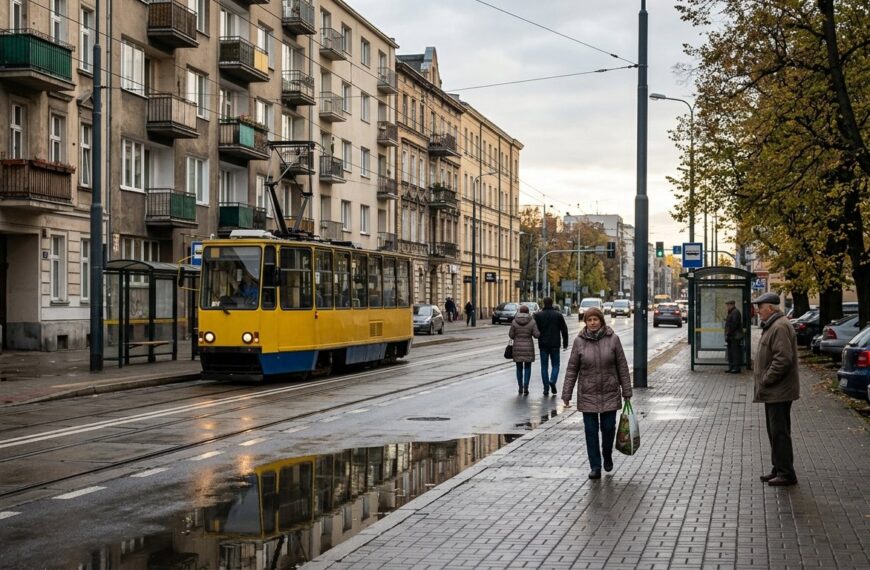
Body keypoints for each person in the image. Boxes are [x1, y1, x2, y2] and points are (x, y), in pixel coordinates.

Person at [562, 307, 632, 480]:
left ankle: (606, 454)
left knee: (608, 428)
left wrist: (627, 391)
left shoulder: (613, 339)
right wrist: (566, 393)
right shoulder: (579, 341)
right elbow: (572, 369)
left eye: (595, 319)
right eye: (589, 320)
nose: (592, 323)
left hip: (609, 392)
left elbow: (622, 366)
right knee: (590, 431)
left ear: (601, 320)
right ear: (585, 322)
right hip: (588, 394)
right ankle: (595, 466)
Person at [752, 292, 799, 487]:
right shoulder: (774, 325)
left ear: (770, 308)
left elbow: (782, 359)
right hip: (774, 390)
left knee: (779, 432)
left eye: (760, 307)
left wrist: (766, 379)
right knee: (775, 431)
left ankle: (786, 473)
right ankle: (778, 468)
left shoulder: (779, 326)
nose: (758, 311)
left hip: (778, 390)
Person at [534, 296, 569, 396]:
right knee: (556, 365)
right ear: (552, 303)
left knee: (544, 367)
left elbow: (535, 329)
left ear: (543, 303)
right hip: (555, 343)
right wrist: (565, 343)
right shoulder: (558, 315)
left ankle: (545, 388)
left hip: (543, 344)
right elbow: (564, 329)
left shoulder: (538, 315)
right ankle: (552, 380)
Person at [509, 305, 540, 395]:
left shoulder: (514, 321)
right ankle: (526, 387)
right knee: (527, 367)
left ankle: (520, 387)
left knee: (519, 368)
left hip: (517, 347)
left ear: (519, 311)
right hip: (528, 348)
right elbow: (536, 335)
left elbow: (511, 335)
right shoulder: (532, 322)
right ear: (528, 312)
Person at [724, 300, 744, 373]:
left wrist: (728, 333)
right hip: (731, 336)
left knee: (735, 352)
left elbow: (734, 325)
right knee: (731, 352)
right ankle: (732, 367)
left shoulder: (735, 312)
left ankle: (736, 368)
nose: (727, 307)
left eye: (728, 305)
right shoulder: (732, 312)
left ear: (731, 305)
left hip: (735, 336)